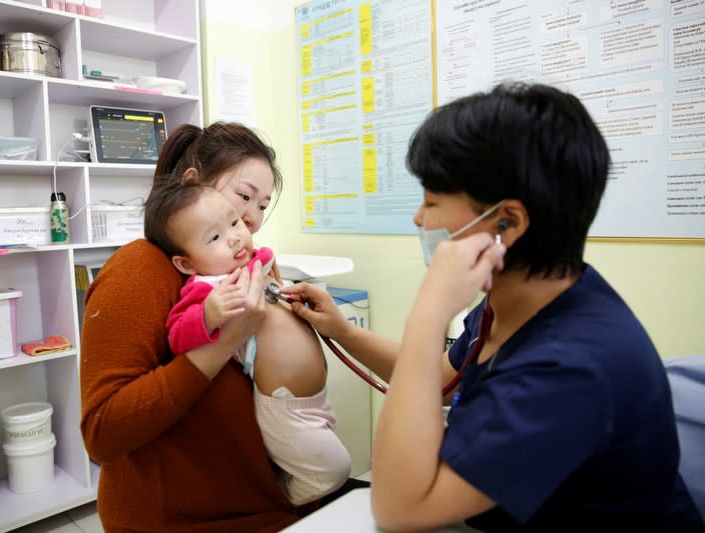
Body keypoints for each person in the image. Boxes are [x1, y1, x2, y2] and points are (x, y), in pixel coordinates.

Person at [282, 82, 705, 532]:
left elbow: (400, 508)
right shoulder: (522, 302)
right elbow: (443, 382)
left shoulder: (572, 365)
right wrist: (344, 331)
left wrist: (430, 312)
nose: (419, 219)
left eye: (432, 201)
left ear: (508, 222)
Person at [79, 122, 328, 533]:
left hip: (272, 501)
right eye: (244, 197)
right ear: (193, 186)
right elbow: (103, 433)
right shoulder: (139, 269)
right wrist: (221, 343)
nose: (251, 220)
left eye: (263, 206)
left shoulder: (248, 264)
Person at [144, 180, 350, 505]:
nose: (234, 236)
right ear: (186, 263)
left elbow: (265, 263)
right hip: (283, 407)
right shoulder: (206, 288)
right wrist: (209, 315)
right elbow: (176, 334)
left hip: (314, 400)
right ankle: (276, 503)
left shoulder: (250, 261)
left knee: (325, 463)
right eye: (214, 237)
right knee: (334, 470)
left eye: (234, 222)